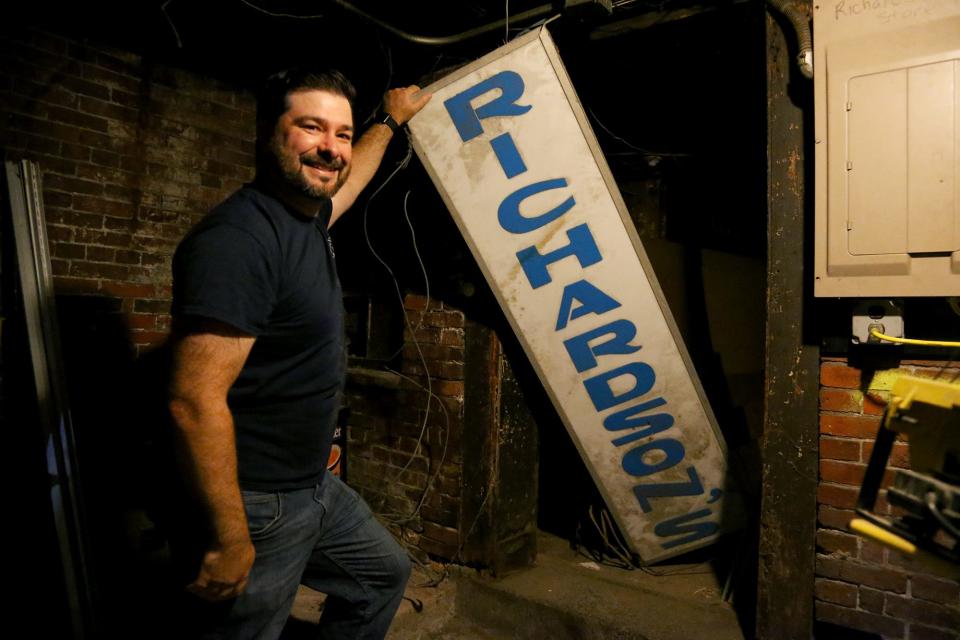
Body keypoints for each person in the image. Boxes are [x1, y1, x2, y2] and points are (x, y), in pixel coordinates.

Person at [166, 68, 431, 639]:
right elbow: (193, 399)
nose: (331, 149)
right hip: (258, 500)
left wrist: (387, 120)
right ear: (269, 130)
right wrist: (231, 538)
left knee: (381, 575)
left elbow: (350, 175)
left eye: (340, 133)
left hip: (312, 485)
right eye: (311, 127)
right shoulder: (239, 241)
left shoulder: (306, 219)